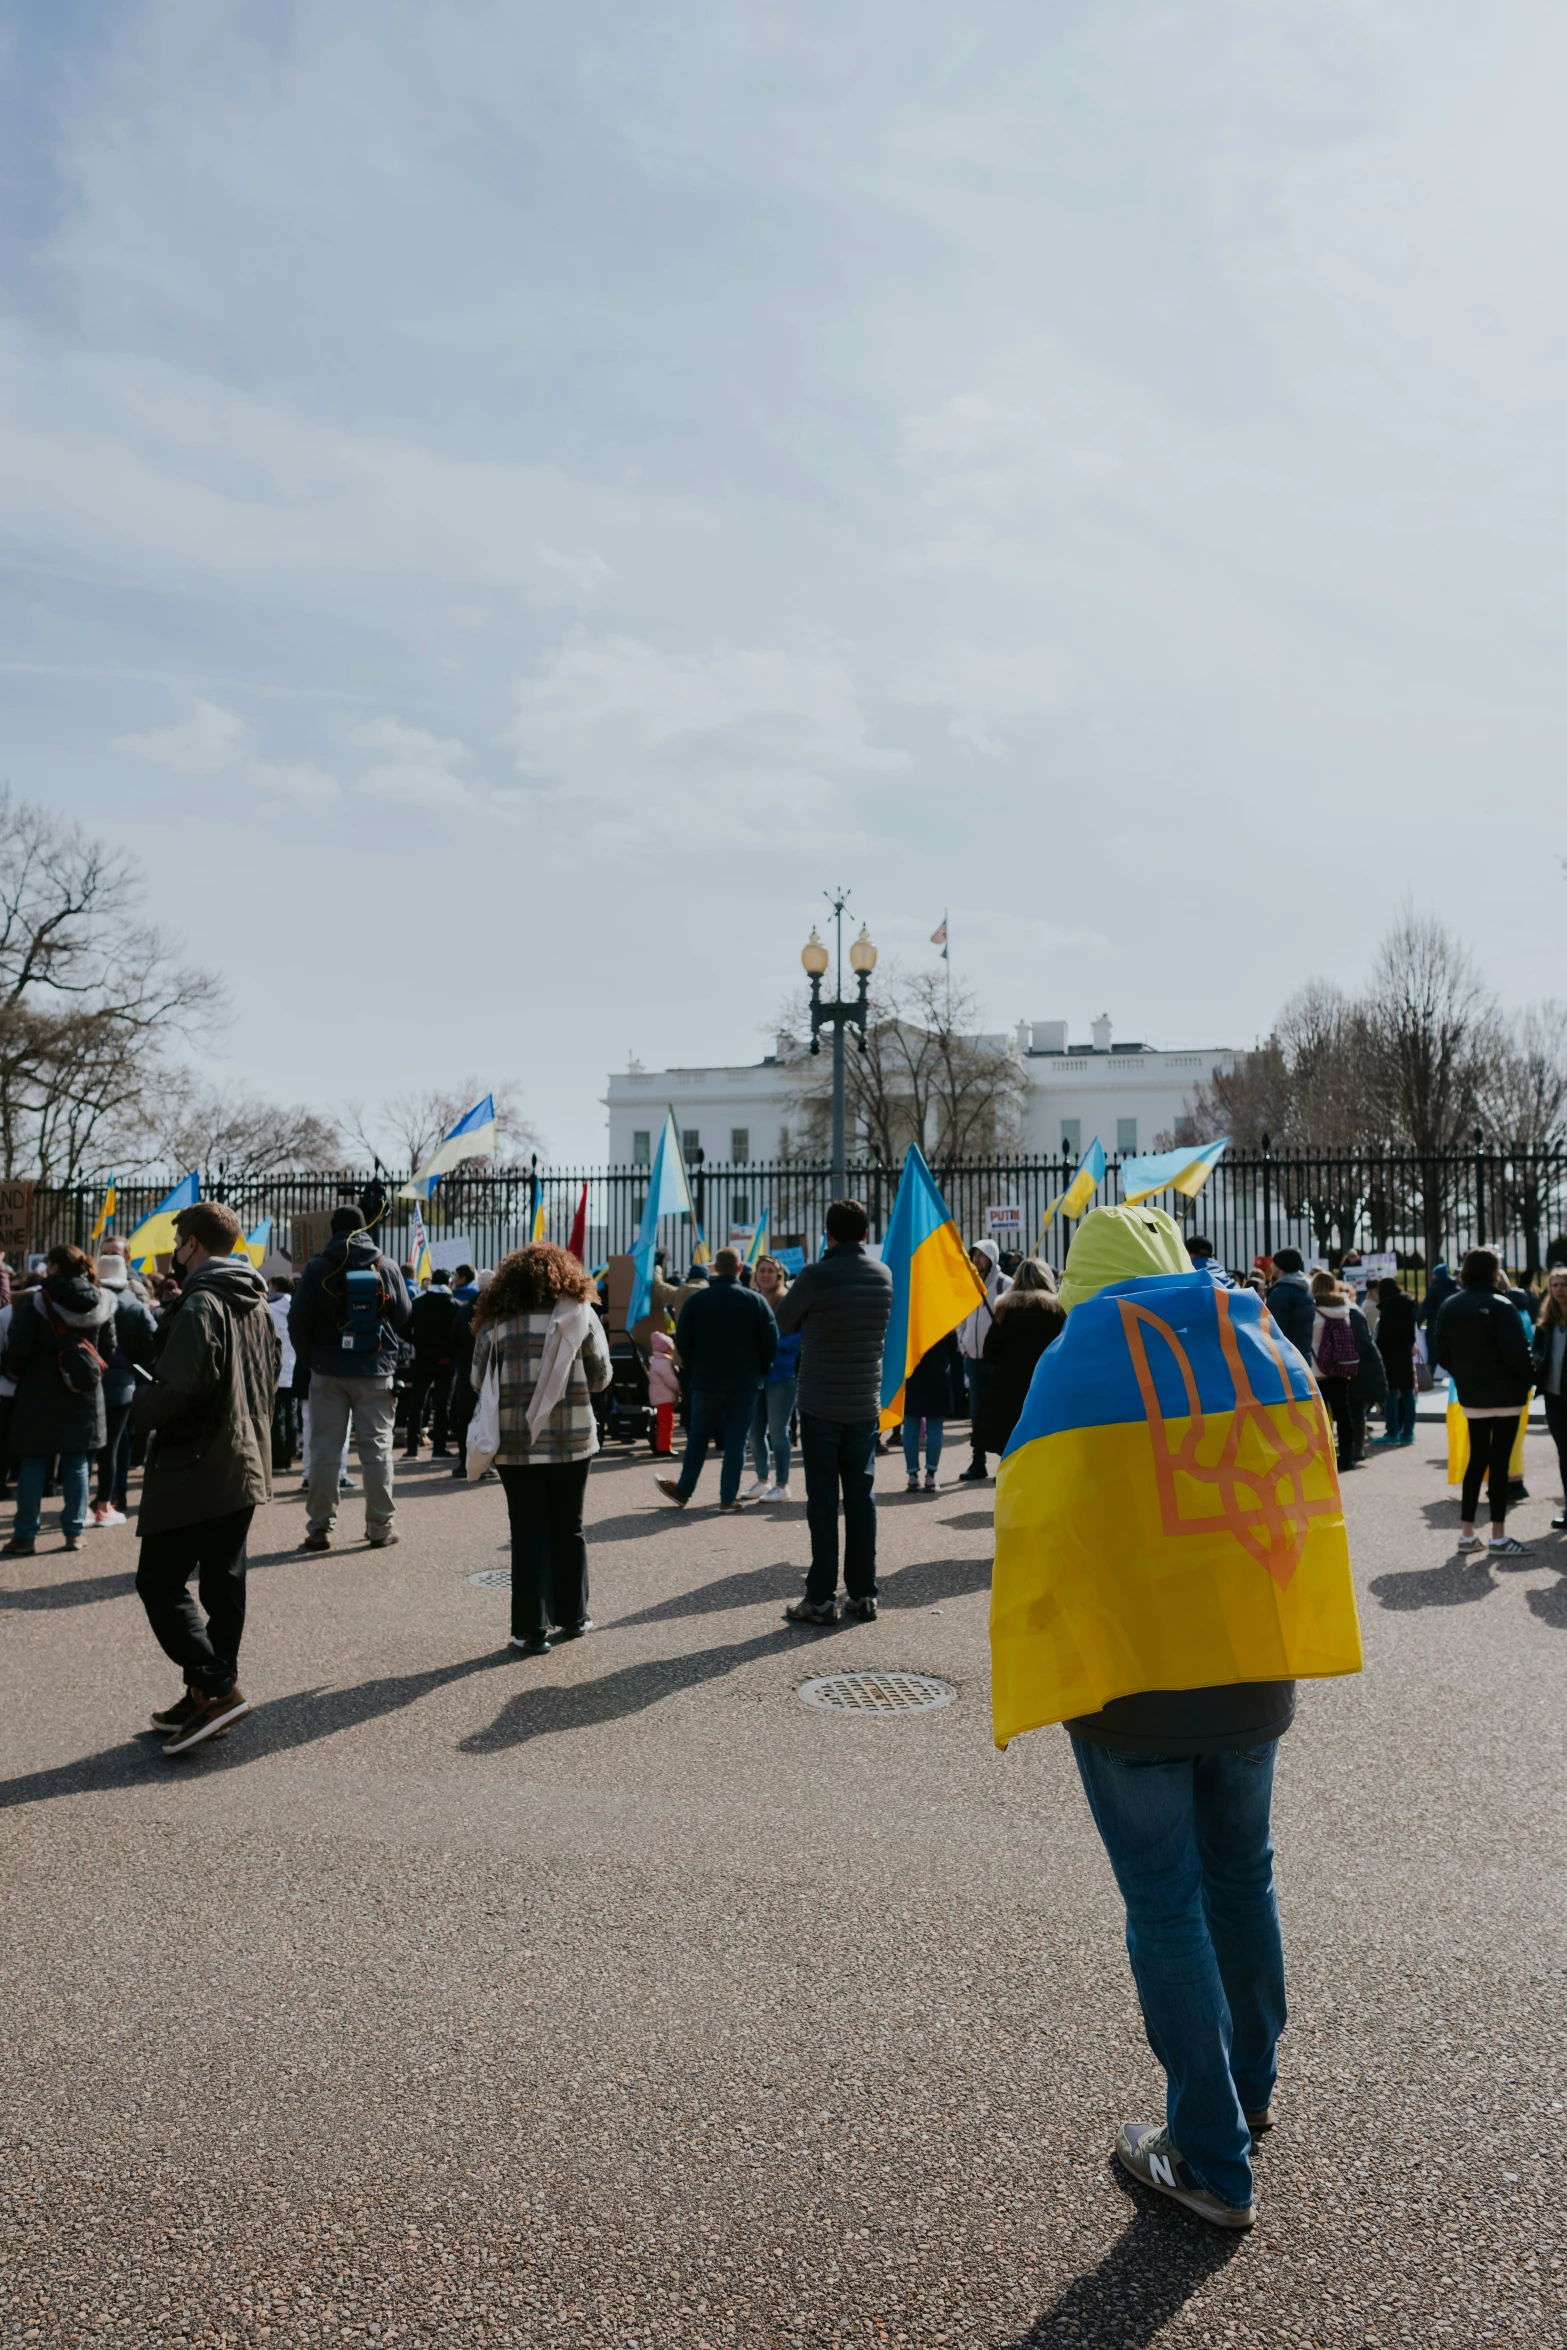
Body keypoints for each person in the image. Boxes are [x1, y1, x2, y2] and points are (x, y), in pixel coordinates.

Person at [995, 1203, 1336, 2231]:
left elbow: (1031, 1522)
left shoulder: (1075, 1362)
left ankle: (1208, 2154)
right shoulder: (1260, 1345)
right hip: (1247, 1663)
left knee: (1165, 1901)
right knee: (1244, 1874)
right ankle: (1250, 2081)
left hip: (1129, 1680)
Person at [132, 1202, 280, 1754]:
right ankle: (205, 1691)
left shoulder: (202, 1300)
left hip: (200, 1460)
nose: (174, 1249)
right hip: (244, 1459)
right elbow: (273, 1371)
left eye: (178, 1239)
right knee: (223, 1581)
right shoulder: (256, 1301)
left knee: (160, 1581)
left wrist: (140, 1401)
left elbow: (177, 1387)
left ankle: (216, 1687)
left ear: (192, 1243)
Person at [470, 1242, 612, 1654]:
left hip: (513, 1442)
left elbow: (478, 1382)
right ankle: (574, 1615)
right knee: (569, 1526)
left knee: (528, 1531)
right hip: (571, 1439)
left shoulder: (494, 1324)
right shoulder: (580, 1316)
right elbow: (601, 1378)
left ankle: (529, 1629)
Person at [774, 1199, 894, 1626]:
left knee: (823, 1503)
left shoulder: (815, 1276)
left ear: (828, 1232)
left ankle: (821, 1598)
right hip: (864, 1402)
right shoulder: (883, 1275)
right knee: (862, 1500)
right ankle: (863, 1594)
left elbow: (784, 1321)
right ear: (865, 1234)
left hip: (821, 1403)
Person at [289, 1205, 413, 1551]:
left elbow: (297, 1323)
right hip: (375, 1369)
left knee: (325, 1450)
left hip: (327, 1370)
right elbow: (404, 1315)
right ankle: (379, 1527)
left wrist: (313, 1359)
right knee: (376, 1450)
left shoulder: (317, 1267)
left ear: (332, 1229)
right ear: (365, 1227)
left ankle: (319, 1528)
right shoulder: (385, 1265)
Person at [1, 1243, 115, 1557]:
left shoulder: (38, 1301)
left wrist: (13, 1372)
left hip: (38, 1394)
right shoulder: (103, 1300)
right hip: (84, 1394)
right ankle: (74, 1532)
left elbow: (18, 1350)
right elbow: (110, 1349)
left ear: (52, 1267)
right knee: (77, 1462)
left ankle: (24, 1535)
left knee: (34, 1463)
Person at [655, 1248, 778, 1510]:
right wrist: (761, 1369)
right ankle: (727, 1497)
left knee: (698, 1437)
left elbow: (683, 1341)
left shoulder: (698, 1301)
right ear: (739, 1268)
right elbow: (771, 1340)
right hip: (745, 1381)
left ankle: (684, 1489)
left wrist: (693, 1366)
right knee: (736, 1440)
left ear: (715, 1269)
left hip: (707, 1380)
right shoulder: (755, 1301)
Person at [1433, 1247, 1534, 1557]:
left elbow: (1441, 1351)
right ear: (1494, 1271)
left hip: (1472, 1394)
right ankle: (1498, 1536)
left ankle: (1466, 1534)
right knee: (1499, 1464)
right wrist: (1529, 1376)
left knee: (1476, 1462)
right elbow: (1517, 1353)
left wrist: (1464, 1376)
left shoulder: (1450, 1305)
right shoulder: (1501, 1304)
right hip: (1507, 1395)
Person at [90, 1251, 158, 1525]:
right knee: (116, 1445)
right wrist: (138, 1368)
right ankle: (110, 1499)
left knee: (85, 1448)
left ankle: (83, 1503)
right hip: (123, 1382)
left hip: (88, 1379)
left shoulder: (90, 1299)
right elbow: (152, 1341)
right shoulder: (135, 1304)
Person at [976, 1258, 1065, 1455]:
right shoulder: (1057, 1311)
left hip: (1008, 1386)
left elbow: (989, 1352)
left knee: (1009, 1444)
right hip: (1043, 1386)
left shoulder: (1004, 1310)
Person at [955, 1237, 1012, 1482]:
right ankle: (978, 1462)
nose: (976, 1259)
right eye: (974, 1254)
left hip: (996, 1360)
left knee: (1001, 1411)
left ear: (992, 1256)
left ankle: (1005, 1466)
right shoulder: (969, 1283)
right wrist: (963, 1345)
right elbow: (960, 1318)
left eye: (981, 1254)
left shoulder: (1004, 1284)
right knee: (976, 1413)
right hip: (973, 1358)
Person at [745, 1254, 800, 1499]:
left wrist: (770, 1351)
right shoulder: (751, 1300)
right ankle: (762, 1480)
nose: (765, 1274)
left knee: (778, 1431)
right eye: (762, 1270)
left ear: (778, 1275)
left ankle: (783, 1485)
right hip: (755, 1375)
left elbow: (797, 1338)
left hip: (781, 1375)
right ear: (755, 1274)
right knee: (754, 1432)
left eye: (770, 1271)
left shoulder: (787, 1301)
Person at [404, 1264, 461, 1458]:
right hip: (446, 1363)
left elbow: (403, 1329)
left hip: (423, 1359)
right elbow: (459, 1335)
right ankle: (439, 1448)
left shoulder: (418, 1303)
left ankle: (412, 1449)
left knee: (417, 1404)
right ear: (448, 1283)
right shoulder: (454, 1305)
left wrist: (417, 1342)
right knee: (442, 1406)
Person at [1309, 1272, 1360, 1473]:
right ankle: (1348, 1456)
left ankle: (1323, 1456)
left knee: (1319, 1414)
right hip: (1340, 1367)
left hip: (1318, 1368)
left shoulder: (1313, 1310)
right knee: (1342, 1411)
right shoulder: (1343, 1308)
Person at [900, 1328, 962, 1491]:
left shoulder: (909, 1318)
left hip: (911, 1373)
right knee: (935, 1428)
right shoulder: (943, 1320)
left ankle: (912, 1477)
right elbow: (953, 1348)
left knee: (910, 1426)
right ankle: (930, 1476)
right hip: (938, 1374)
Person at [1533, 1267, 1567, 1530]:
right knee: (1563, 1453)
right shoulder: (1546, 1323)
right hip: (1554, 1397)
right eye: (1554, 1285)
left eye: (1563, 1284)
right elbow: (1537, 1353)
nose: (1559, 1289)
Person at [1372, 1279, 1419, 1447]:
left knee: (1390, 1393)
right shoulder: (1407, 1305)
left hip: (1389, 1355)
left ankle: (1392, 1431)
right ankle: (1408, 1432)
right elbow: (1411, 1333)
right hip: (1404, 1353)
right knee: (1408, 1392)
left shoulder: (1387, 1308)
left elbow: (1382, 1337)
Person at [446, 1266, 482, 1477]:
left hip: (467, 1370)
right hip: (490, 1372)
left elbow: (453, 1339)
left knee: (465, 1418)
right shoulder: (500, 1310)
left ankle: (465, 1461)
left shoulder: (464, 1310)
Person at [1346, 1287, 1386, 1463]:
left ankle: (1355, 1448)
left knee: (1353, 1408)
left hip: (1354, 1367)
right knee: (1356, 1408)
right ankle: (1357, 1448)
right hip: (1361, 1366)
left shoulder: (1352, 1313)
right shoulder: (1356, 1311)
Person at [266, 1276, 300, 1473]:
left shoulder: (269, 1308)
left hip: (277, 1369)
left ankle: (278, 1459)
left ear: (275, 1286)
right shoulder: (295, 1305)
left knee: (276, 1414)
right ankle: (289, 1454)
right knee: (291, 1413)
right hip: (294, 1368)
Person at [1263, 1248, 1315, 1358]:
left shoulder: (1281, 1293)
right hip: (1303, 1356)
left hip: (1286, 1359)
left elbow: (1273, 1331)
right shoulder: (1305, 1290)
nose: (1272, 1266)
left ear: (1280, 1267)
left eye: (1274, 1263)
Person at [647, 1326, 680, 1456]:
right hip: (664, 1398)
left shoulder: (657, 1361)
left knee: (663, 1423)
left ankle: (662, 1446)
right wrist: (679, 1387)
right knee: (667, 1424)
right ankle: (664, 1448)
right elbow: (671, 1381)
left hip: (660, 1397)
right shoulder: (663, 1363)